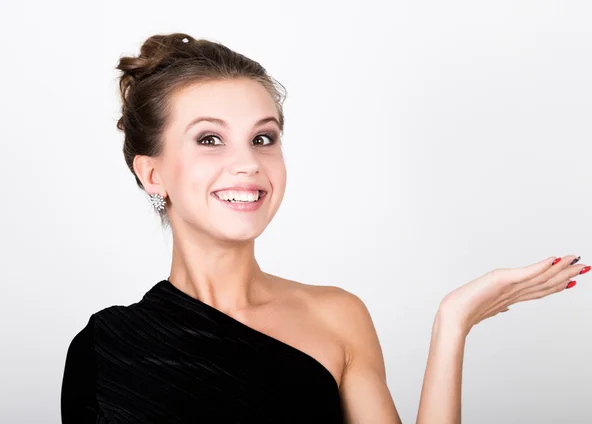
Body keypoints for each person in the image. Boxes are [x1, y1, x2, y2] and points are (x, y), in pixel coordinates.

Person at [60, 32, 590, 424]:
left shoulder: (338, 317)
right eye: (210, 139)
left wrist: (453, 324)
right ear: (152, 173)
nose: (247, 164)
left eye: (263, 139)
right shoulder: (105, 349)